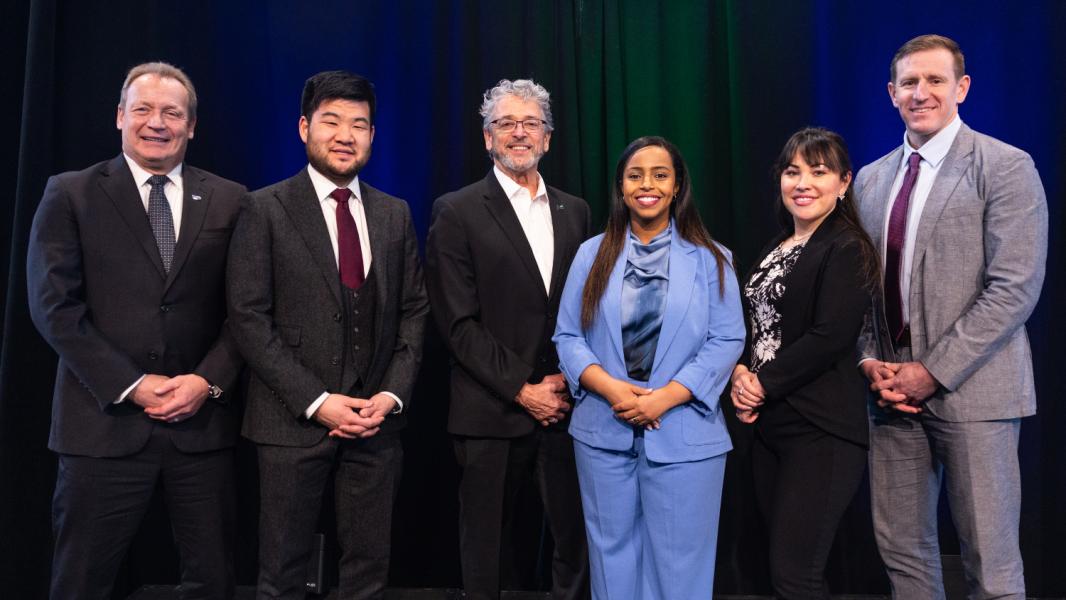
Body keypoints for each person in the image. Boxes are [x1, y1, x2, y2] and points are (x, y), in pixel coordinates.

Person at [26, 61, 244, 600]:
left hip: (201, 427)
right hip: (102, 425)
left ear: (192, 126)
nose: (157, 123)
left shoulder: (232, 199)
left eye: (173, 112)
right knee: (81, 582)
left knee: (212, 581)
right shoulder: (70, 193)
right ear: (120, 116)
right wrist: (131, 384)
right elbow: (54, 306)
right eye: (143, 109)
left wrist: (206, 382)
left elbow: (248, 310)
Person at [855, 35, 1047, 600]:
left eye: (935, 80)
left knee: (990, 564)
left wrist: (932, 370)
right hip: (889, 396)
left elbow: (1014, 288)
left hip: (976, 393)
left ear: (961, 88)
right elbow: (863, 291)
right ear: (892, 94)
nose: (922, 93)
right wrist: (871, 362)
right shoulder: (869, 179)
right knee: (904, 559)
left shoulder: (1006, 166)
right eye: (910, 83)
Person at [226, 70, 428, 600]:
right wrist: (317, 402)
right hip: (290, 423)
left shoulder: (394, 213)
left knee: (368, 572)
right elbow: (248, 317)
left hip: (374, 425)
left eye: (359, 124)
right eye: (331, 121)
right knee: (282, 572)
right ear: (303, 128)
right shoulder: (263, 207)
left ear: (372, 135)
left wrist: (389, 396)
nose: (345, 135)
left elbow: (413, 312)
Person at [553, 136, 744, 599]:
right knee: (610, 555)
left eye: (661, 174)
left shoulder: (714, 259)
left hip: (685, 430)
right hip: (603, 429)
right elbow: (568, 337)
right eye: (635, 175)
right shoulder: (590, 254)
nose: (647, 185)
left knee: (681, 565)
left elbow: (727, 340)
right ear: (621, 187)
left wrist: (667, 395)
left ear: (677, 186)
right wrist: (613, 390)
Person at [425, 78, 591, 600]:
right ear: (487, 138)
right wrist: (524, 389)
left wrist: (565, 381)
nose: (519, 133)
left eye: (531, 124)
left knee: (575, 546)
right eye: (506, 124)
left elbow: (584, 310)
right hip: (490, 411)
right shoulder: (456, 210)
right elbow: (456, 323)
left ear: (547, 138)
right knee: (487, 554)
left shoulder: (577, 211)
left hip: (566, 409)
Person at [730, 127, 878, 598]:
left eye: (819, 172)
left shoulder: (847, 245)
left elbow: (830, 335)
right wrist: (739, 372)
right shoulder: (777, 248)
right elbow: (758, 330)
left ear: (844, 182)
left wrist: (762, 383)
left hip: (822, 430)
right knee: (781, 571)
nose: (803, 183)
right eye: (792, 172)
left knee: (796, 574)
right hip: (772, 427)